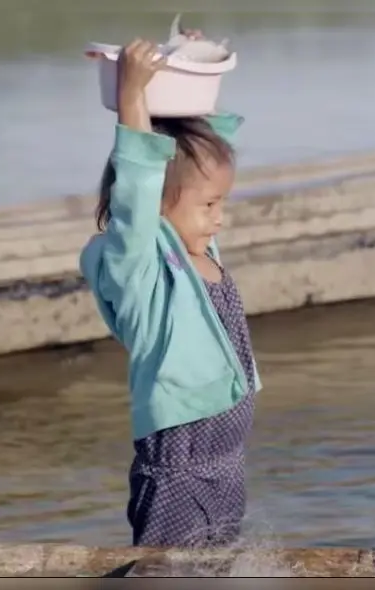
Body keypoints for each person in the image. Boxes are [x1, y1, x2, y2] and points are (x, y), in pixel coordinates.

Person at [79, 36, 261, 548]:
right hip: (179, 475)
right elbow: (138, 186)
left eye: (222, 203)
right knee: (165, 578)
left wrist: (192, 60)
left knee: (215, 574)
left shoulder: (200, 251)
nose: (219, 218)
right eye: (209, 206)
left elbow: (205, 151)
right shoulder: (142, 271)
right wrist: (131, 94)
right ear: (159, 205)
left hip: (226, 468)